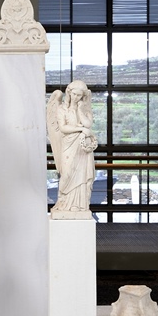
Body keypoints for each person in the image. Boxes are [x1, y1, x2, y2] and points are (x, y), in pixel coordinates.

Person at [47, 80, 97, 215]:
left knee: (82, 175)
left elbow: (88, 124)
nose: (76, 97)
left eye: (79, 95)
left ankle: (79, 205)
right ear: (69, 93)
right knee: (67, 173)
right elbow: (63, 128)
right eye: (74, 94)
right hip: (68, 145)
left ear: (83, 96)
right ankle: (64, 203)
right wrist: (80, 129)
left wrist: (80, 110)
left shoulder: (85, 109)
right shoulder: (62, 109)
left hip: (82, 148)